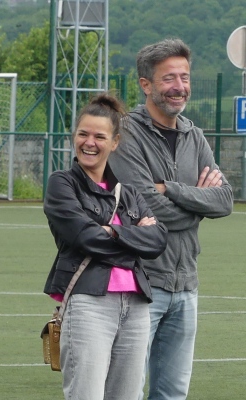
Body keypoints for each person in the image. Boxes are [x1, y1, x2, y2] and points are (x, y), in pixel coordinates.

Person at [108, 38, 234, 399]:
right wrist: (198, 204)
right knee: (125, 391)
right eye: (169, 78)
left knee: (173, 394)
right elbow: (145, 206)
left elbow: (225, 200)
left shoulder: (194, 135)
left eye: (185, 77)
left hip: (186, 284)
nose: (179, 87)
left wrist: (172, 189)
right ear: (146, 85)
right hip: (140, 285)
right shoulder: (125, 134)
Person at [43, 93, 168, 400]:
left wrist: (111, 232)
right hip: (89, 304)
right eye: (83, 134)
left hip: (137, 305)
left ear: (115, 142)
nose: (90, 143)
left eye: (100, 137)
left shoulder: (128, 192)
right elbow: (84, 237)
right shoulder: (62, 183)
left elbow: (157, 240)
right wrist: (132, 235)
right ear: (74, 136)